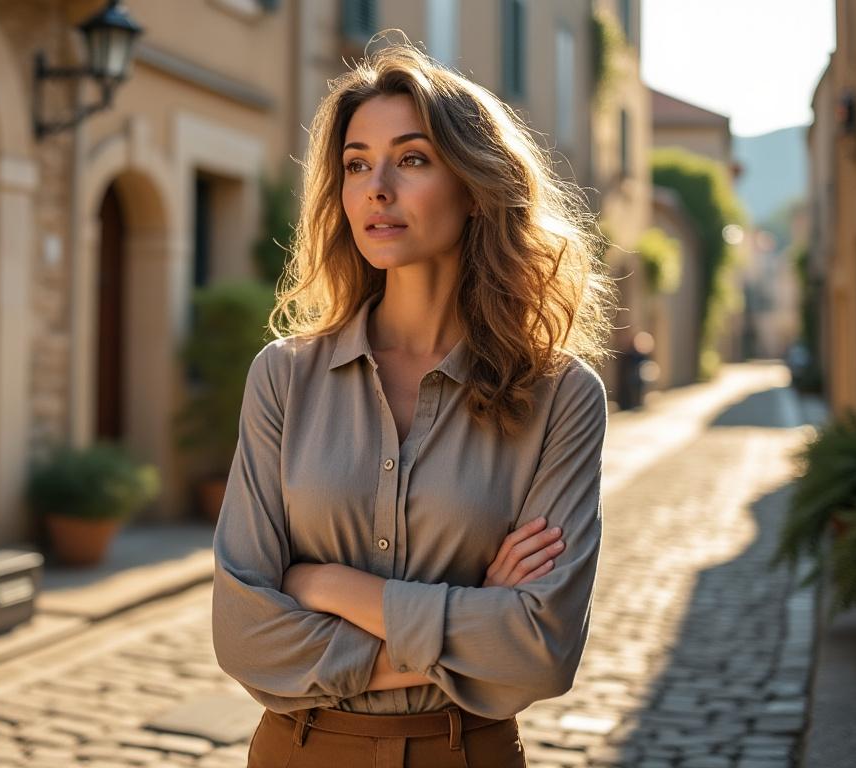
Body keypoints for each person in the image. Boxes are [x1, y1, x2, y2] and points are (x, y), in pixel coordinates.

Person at [211, 37, 616, 768]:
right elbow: (244, 637)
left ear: (474, 185)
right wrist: (471, 625)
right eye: (357, 164)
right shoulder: (283, 378)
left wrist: (325, 584)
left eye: (413, 159)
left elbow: (540, 650)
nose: (377, 188)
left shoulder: (561, 397)